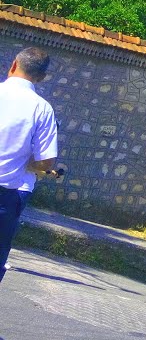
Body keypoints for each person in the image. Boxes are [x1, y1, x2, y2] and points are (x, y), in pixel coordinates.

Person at [0, 47, 58, 288]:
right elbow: (47, 162)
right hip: (6, 197)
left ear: (13, 64)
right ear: (41, 78)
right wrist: (28, 164)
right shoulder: (42, 109)